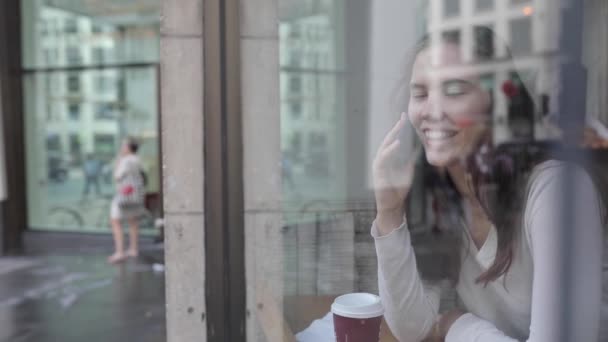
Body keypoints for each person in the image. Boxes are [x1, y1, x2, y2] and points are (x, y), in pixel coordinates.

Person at [372, 30, 606, 341]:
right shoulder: (440, 200)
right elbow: (413, 328)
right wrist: (389, 212)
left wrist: (459, 326)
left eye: (454, 90)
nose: (432, 111)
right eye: (420, 94)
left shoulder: (559, 192)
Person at [108, 137, 147, 264]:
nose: (122, 147)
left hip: (125, 196)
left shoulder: (125, 160)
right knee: (133, 221)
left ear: (128, 148)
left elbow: (117, 176)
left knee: (115, 220)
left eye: (123, 145)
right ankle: (133, 249)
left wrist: (119, 161)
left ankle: (120, 252)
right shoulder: (138, 159)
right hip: (136, 196)